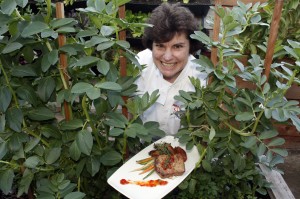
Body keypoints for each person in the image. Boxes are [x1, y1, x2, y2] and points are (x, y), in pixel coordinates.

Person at [135, 2, 208, 135]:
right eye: (160, 46)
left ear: (190, 47)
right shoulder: (139, 64)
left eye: (177, 47)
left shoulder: (202, 78)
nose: (167, 57)